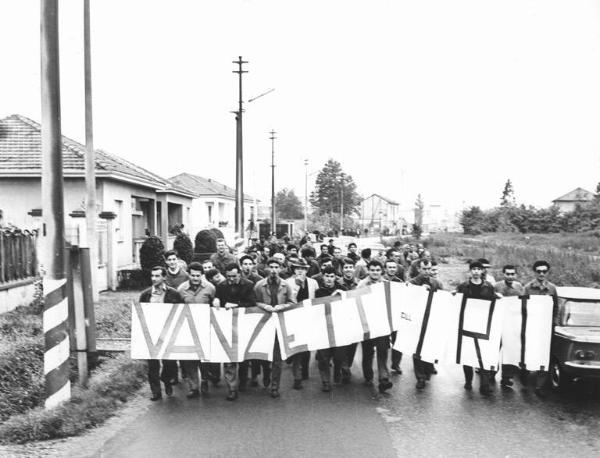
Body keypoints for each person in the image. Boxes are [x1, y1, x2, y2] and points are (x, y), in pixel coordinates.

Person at [139, 266, 183, 401]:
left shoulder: (174, 294)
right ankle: (156, 392)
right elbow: (141, 314)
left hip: (168, 333)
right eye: (152, 276)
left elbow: (181, 312)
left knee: (169, 362)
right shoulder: (145, 295)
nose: (154, 279)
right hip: (152, 333)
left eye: (157, 276)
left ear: (164, 277)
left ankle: (167, 380)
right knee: (153, 364)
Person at [214, 263, 256, 401]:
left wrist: (236, 306)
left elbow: (252, 303)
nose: (230, 279)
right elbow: (217, 300)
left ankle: (243, 380)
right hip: (226, 326)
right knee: (229, 358)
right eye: (228, 276)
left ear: (240, 274)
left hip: (244, 325)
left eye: (234, 276)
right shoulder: (221, 286)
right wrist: (216, 301)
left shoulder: (249, 285)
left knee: (243, 357)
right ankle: (232, 388)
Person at [455, 260, 498, 395]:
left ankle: (484, 385)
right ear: (470, 271)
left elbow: (493, 303)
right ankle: (468, 380)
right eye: (473, 269)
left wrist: (499, 298)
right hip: (466, 324)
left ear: (482, 271)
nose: (476, 272)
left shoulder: (489, 287)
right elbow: (457, 302)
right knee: (467, 354)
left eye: (479, 269)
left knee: (483, 354)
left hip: (483, 325)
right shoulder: (463, 286)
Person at [254, 258, 295, 398]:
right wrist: (264, 306)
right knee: (265, 355)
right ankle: (266, 374)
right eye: (271, 267)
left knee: (277, 357)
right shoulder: (259, 285)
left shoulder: (286, 285)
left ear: (280, 269)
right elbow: (254, 302)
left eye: (276, 267)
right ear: (266, 268)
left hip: (279, 324)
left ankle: (274, 386)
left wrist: (281, 306)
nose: (273, 270)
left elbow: (292, 302)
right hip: (264, 324)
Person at [177, 262, 216, 398]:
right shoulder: (181, 289)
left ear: (202, 275)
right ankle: (194, 387)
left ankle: (205, 379)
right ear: (189, 275)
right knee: (190, 358)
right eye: (192, 275)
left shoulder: (210, 288)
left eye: (198, 276)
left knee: (205, 358)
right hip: (188, 328)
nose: (195, 278)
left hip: (205, 327)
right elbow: (177, 308)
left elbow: (215, 306)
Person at [523, 260, 558, 397]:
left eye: (544, 271)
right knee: (529, 353)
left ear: (547, 272)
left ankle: (539, 385)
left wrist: (553, 323)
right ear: (535, 272)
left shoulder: (552, 288)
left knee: (544, 355)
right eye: (539, 271)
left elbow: (555, 307)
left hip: (546, 327)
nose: (542, 274)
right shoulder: (528, 287)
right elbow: (523, 306)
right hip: (531, 326)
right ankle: (526, 381)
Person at [357, 260, 393, 393]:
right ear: (368, 270)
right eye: (372, 270)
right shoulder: (361, 285)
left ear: (381, 271)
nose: (375, 272)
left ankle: (383, 379)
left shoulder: (386, 284)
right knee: (368, 352)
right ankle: (368, 376)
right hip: (366, 324)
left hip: (382, 324)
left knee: (382, 351)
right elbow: (356, 303)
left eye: (378, 270)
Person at [409, 259, 443, 389]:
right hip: (417, 320)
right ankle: (420, 377)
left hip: (432, 319)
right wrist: (419, 291)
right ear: (418, 269)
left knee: (429, 346)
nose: (427, 271)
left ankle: (428, 369)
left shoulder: (437, 283)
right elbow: (408, 301)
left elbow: (443, 300)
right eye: (424, 269)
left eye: (429, 269)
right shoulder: (412, 283)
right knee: (417, 349)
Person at [285, 258, 319, 389]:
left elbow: (316, 300)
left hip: (308, 317)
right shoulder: (288, 282)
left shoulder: (313, 282)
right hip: (293, 318)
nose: (300, 271)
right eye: (298, 268)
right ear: (294, 269)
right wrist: (298, 286)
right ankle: (297, 377)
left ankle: (304, 371)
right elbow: (289, 300)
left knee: (307, 348)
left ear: (307, 270)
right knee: (297, 348)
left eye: (303, 268)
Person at [315, 266, 348, 391]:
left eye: (332, 276)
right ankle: (325, 382)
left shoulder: (343, 290)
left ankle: (337, 371)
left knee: (339, 355)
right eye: (327, 276)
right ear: (323, 277)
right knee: (323, 357)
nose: (329, 279)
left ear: (336, 277)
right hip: (323, 327)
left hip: (339, 327)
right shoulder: (319, 292)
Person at [493, 265, 524, 389]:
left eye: (512, 274)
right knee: (495, 348)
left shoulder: (519, 286)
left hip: (512, 323)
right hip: (499, 321)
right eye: (508, 274)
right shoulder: (497, 286)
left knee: (510, 349)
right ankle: (491, 371)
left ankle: (507, 377)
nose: (510, 276)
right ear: (503, 274)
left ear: (515, 275)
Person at [383, 259, 404, 376]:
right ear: (385, 268)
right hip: (383, 316)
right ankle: (383, 365)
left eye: (393, 267)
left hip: (395, 316)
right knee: (383, 344)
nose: (392, 269)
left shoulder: (399, 282)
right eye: (389, 267)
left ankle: (396, 364)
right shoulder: (381, 281)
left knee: (398, 341)